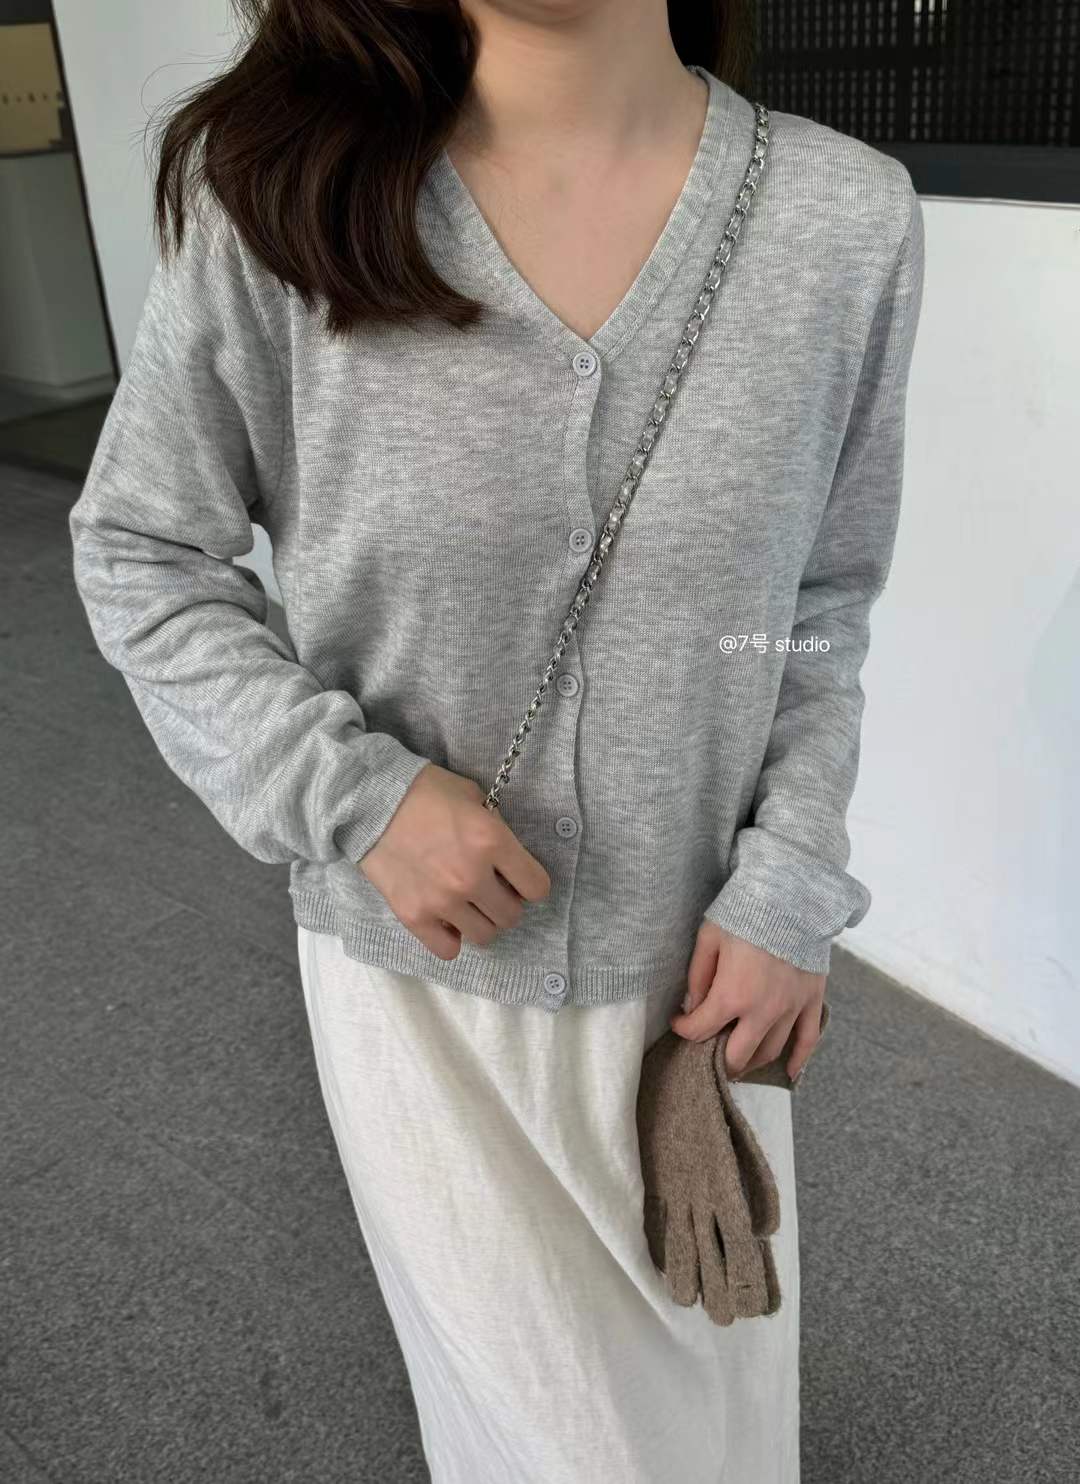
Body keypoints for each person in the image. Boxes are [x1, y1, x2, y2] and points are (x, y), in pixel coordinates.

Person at [68, 2, 925, 1479]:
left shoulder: (844, 218)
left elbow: (813, 608)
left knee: (719, 1431)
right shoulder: (286, 194)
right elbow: (144, 549)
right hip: (426, 1003)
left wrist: (793, 874)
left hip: (705, 994)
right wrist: (355, 798)